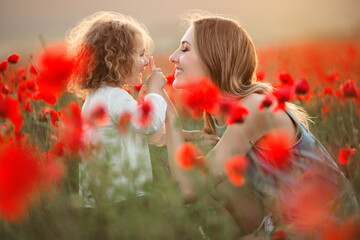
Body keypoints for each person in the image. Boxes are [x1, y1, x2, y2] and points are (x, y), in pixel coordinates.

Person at [164, 12, 358, 239]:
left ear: (215, 57)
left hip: (331, 226)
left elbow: (188, 190)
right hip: (286, 225)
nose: (172, 57)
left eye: (185, 49)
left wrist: (169, 116)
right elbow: (252, 215)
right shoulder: (219, 119)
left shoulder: (253, 108)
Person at [65, 11, 168, 207]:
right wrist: (155, 91)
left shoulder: (97, 97)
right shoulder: (115, 97)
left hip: (99, 199)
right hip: (124, 198)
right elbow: (148, 124)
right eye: (140, 54)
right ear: (118, 59)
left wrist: (144, 104)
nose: (146, 61)